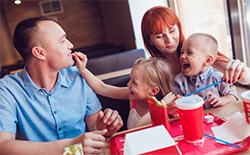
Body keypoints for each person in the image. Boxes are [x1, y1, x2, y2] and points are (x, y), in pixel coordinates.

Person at [0, 16, 123, 155]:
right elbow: (2, 146)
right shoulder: (6, 89)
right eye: (62, 40)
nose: (70, 45)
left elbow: (95, 126)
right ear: (39, 53)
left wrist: (105, 127)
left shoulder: (78, 76)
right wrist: (70, 147)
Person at [141, 6, 250, 85]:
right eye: (159, 36)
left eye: (172, 30)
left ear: (179, 28)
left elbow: (244, 77)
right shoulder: (152, 69)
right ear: (150, 41)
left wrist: (244, 74)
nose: (169, 40)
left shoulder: (198, 50)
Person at [73, 53, 177, 129]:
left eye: (134, 83)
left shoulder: (168, 105)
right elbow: (102, 88)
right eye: (130, 79)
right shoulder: (133, 96)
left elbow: (138, 127)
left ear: (153, 91)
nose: (128, 84)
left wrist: (163, 107)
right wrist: (82, 69)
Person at [173, 33, 238, 109]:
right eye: (182, 52)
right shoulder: (179, 81)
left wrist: (221, 100)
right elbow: (176, 104)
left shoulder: (218, 77)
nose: (182, 56)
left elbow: (233, 96)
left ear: (207, 60)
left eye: (189, 53)